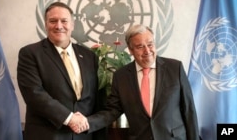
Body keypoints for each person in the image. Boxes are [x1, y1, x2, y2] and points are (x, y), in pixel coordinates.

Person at [71, 24, 200, 140]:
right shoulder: (121, 77)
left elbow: (189, 110)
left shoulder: (175, 68)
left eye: (150, 44)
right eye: (140, 47)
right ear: (131, 50)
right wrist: (87, 122)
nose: (147, 51)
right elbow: (112, 111)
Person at [17, 2, 105, 140]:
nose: (59, 26)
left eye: (64, 21)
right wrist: (70, 118)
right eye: (53, 21)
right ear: (46, 24)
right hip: (47, 135)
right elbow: (34, 94)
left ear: (72, 24)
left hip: (83, 136)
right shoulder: (30, 53)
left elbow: (95, 100)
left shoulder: (89, 56)